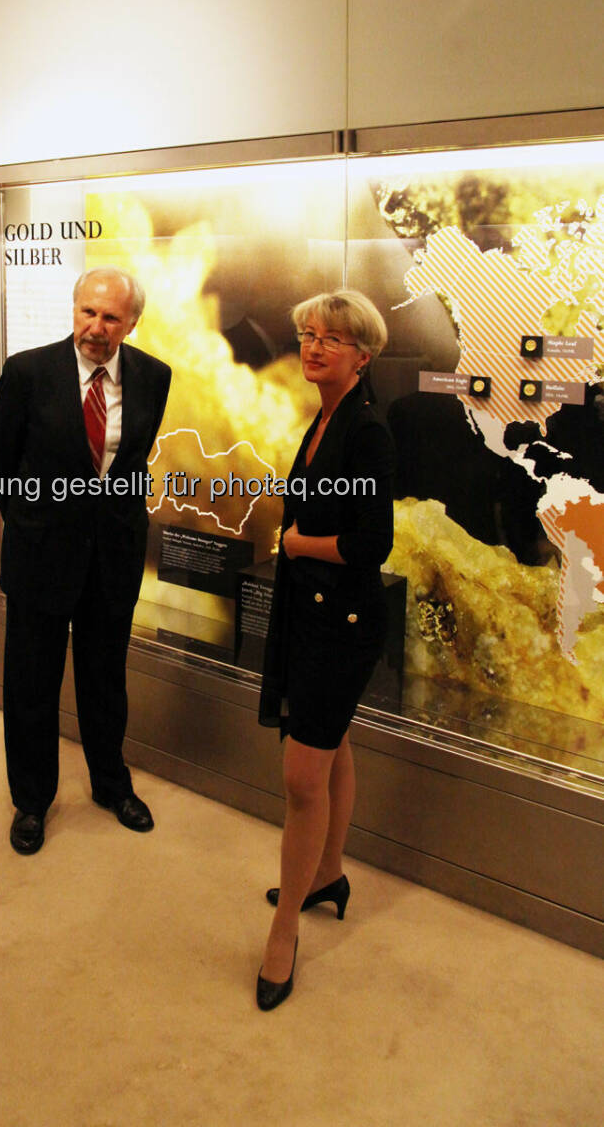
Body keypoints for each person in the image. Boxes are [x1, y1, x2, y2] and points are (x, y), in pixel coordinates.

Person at [0, 266, 171, 855]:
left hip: (112, 558)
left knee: (104, 679)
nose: (96, 327)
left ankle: (110, 785)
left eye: (111, 317)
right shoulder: (28, 372)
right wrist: (29, 521)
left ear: (131, 322)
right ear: (74, 310)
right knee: (31, 683)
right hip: (41, 554)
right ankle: (32, 802)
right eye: (88, 312)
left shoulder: (154, 377)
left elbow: (131, 461)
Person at [256, 289, 394, 1010]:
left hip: (341, 622)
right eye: (307, 333)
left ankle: (284, 932)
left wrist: (295, 543)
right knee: (330, 746)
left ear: (362, 356)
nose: (313, 347)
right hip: (309, 612)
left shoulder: (366, 431)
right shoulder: (324, 417)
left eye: (331, 339)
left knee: (302, 779)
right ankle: (328, 873)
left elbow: (372, 544)